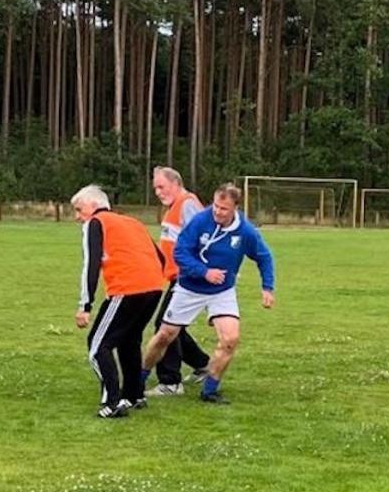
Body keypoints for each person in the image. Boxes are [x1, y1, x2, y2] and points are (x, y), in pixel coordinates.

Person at [140, 183, 275, 404]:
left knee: (230, 340)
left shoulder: (246, 231)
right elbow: (180, 252)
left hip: (222, 291)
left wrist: (267, 287)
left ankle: (210, 390)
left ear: (236, 208)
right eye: (216, 206)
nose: (217, 212)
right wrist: (204, 272)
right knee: (165, 335)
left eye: (224, 209)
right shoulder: (200, 221)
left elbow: (264, 256)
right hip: (189, 288)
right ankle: (139, 378)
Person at [72, 185, 165, 419]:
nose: (77, 216)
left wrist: (85, 305)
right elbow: (160, 257)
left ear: (94, 205)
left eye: (78, 209)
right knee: (129, 341)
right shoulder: (132, 222)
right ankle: (134, 395)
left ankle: (111, 402)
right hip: (154, 287)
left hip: (128, 288)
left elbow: (90, 265)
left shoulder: (95, 223)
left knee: (97, 346)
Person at [146, 166, 211, 397]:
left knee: (164, 327)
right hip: (178, 277)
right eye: (155, 188)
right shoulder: (176, 206)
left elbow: (204, 239)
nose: (158, 192)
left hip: (187, 278)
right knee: (176, 327)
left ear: (176, 183)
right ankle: (204, 365)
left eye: (161, 186)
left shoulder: (187, 204)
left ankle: (170, 382)